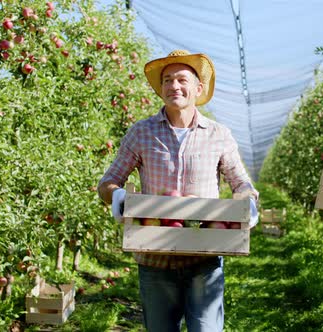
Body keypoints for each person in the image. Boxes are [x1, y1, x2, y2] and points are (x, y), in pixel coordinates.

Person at [97, 49, 259, 332]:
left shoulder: (218, 134)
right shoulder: (141, 132)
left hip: (205, 256)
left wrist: (248, 202)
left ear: (198, 88)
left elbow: (240, 182)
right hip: (154, 256)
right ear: (161, 89)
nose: (174, 86)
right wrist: (117, 196)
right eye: (167, 80)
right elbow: (108, 182)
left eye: (182, 79)